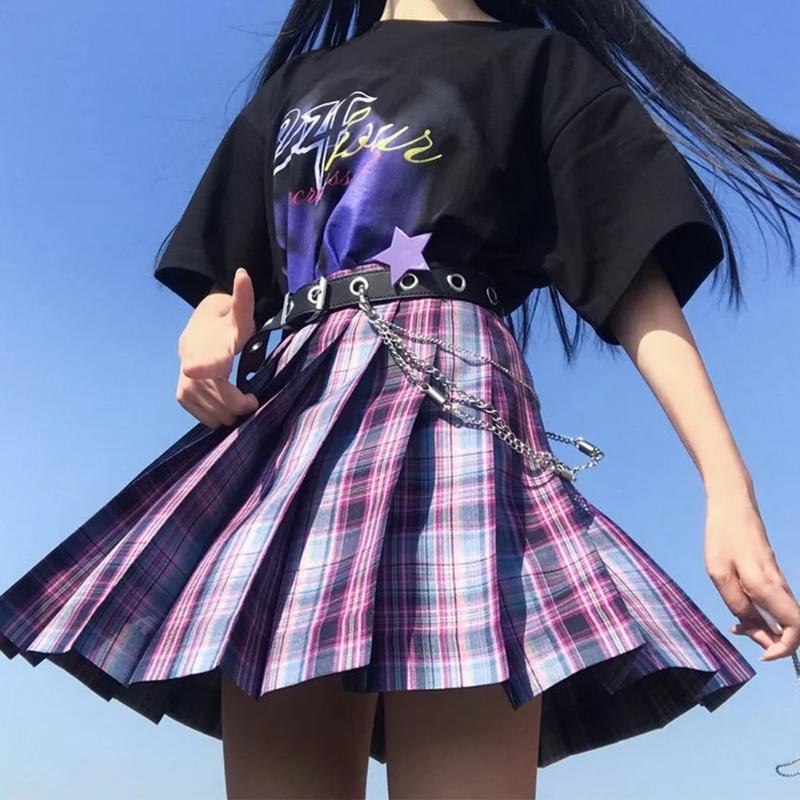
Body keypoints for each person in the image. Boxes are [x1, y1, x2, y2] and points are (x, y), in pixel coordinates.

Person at [1, 0, 799, 798]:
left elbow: (635, 285)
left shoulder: (540, 67)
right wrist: (207, 330)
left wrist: (729, 490)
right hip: (297, 426)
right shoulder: (297, 85)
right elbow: (233, 269)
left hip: (451, 417)